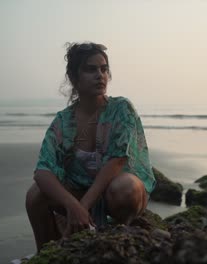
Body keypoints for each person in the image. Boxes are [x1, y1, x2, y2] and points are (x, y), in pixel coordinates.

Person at [25, 42, 156, 251]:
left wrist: (82, 206)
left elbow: (118, 159)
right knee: (35, 195)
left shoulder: (121, 108)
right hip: (79, 191)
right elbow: (42, 171)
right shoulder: (63, 121)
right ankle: (48, 252)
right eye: (91, 69)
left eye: (104, 69)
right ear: (74, 77)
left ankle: (119, 238)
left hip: (116, 193)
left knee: (125, 188)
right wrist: (72, 205)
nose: (100, 75)